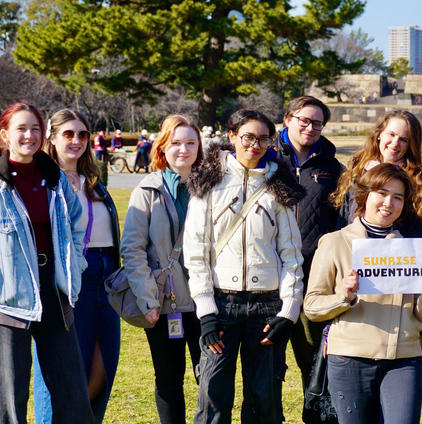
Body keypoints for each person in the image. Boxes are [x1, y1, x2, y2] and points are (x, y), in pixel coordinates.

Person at [184, 109, 305, 424]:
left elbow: (291, 253)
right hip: (221, 303)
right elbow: (196, 250)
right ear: (232, 137)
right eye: (248, 136)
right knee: (212, 398)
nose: (256, 144)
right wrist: (206, 310)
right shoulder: (208, 181)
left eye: (264, 138)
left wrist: (289, 311)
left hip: (267, 306)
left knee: (264, 400)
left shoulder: (279, 183)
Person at [304, 163, 422, 424]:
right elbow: (312, 307)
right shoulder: (335, 242)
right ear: (365, 195)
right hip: (350, 357)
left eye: (398, 197)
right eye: (381, 193)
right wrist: (343, 297)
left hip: (404, 358)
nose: (388, 203)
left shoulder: (410, 249)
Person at [0, 102, 93, 424]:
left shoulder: (54, 178)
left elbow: (77, 225)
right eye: (21, 129)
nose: (30, 135)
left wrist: (76, 265)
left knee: (72, 391)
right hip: (10, 299)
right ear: (5, 135)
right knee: (11, 396)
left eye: (36, 128)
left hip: (55, 288)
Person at [32, 109, 121, 424]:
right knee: (59, 374)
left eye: (82, 134)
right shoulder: (42, 181)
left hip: (106, 278)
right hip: (65, 281)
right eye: (68, 134)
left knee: (103, 369)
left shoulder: (95, 181)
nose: (76, 140)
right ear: (52, 139)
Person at [120, 115, 204, 424]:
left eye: (191, 142)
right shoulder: (147, 190)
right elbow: (132, 249)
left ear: (199, 147)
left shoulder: (212, 188)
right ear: (163, 148)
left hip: (206, 301)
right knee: (169, 380)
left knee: (209, 378)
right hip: (164, 302)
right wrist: (148, 300)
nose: (184, 149)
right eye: (176, 143)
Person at [274, 96, 343, 424]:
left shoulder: (332, 168)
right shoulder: (265, 158)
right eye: (304, 119)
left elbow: (343, 223)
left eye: (317, 123)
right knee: (268, 363)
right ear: (287, 119)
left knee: (315, 362)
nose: (310, 127)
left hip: (315, 278)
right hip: (269, 277)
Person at [332, 109, 422, 242]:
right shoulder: (357, 173)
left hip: (395, 259)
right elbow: (342, 222)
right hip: (354, 255)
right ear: (379, 134)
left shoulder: (417, 184)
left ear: (410, 145)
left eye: (403, 140)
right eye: (391, 134)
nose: (395, 143)